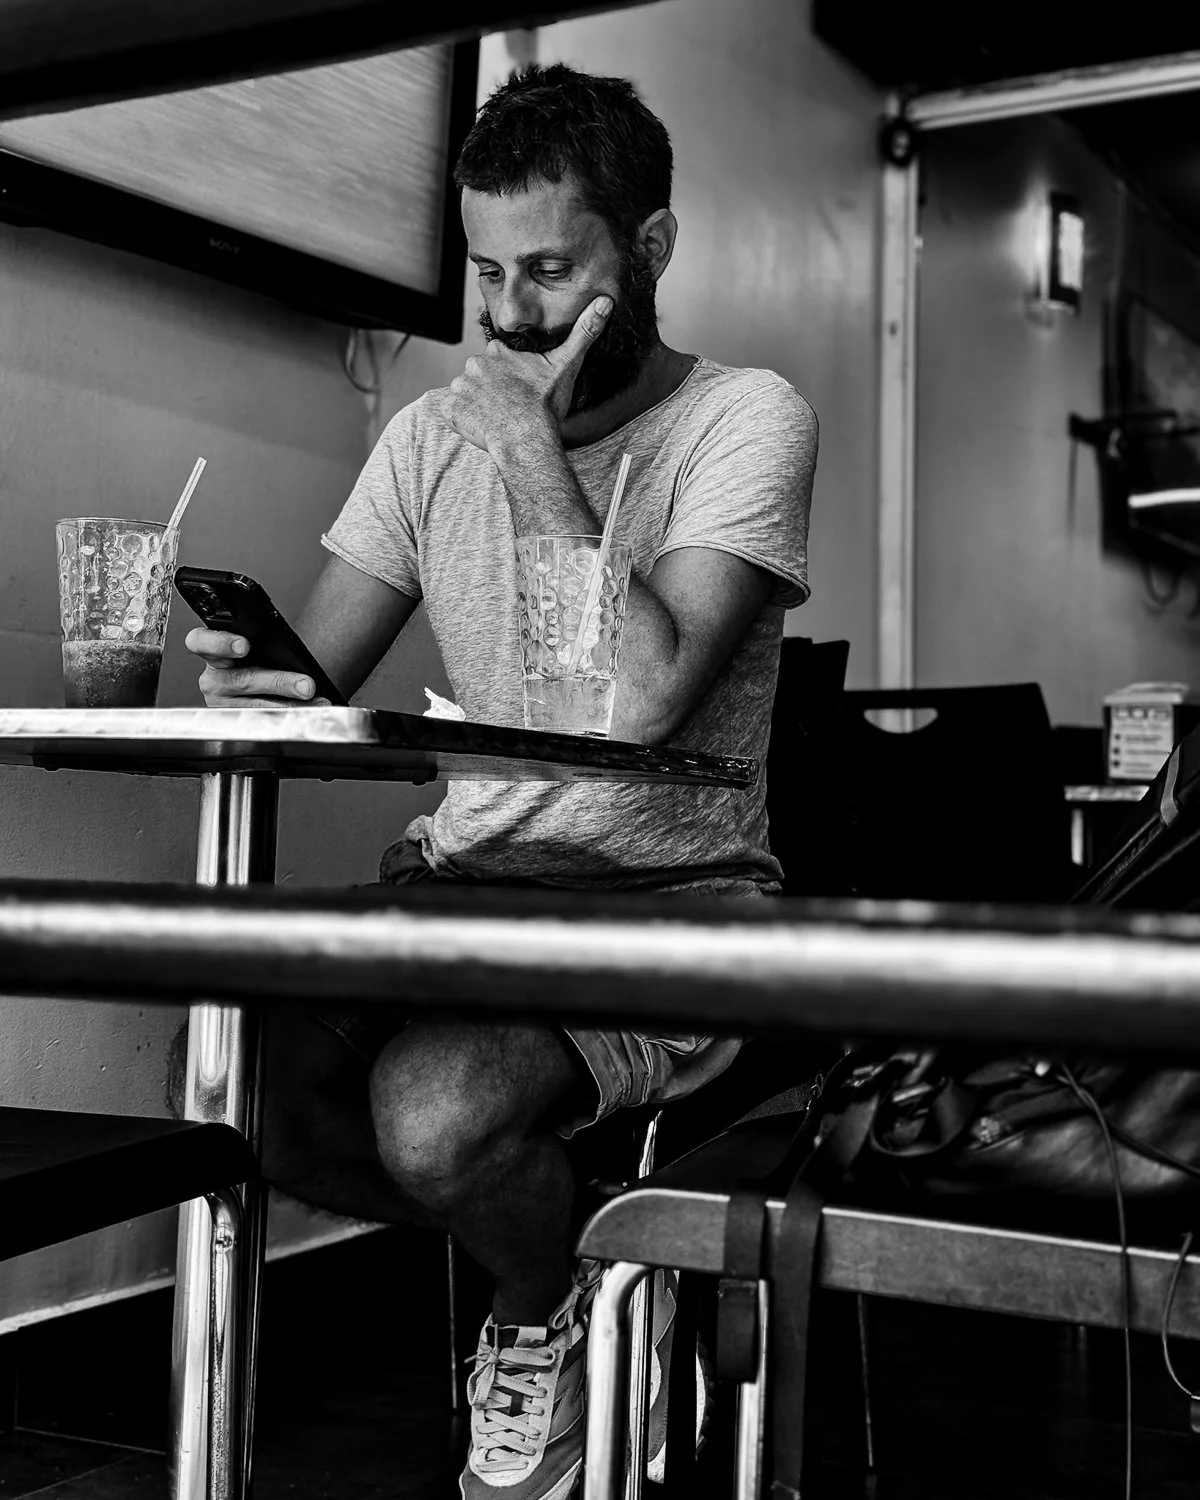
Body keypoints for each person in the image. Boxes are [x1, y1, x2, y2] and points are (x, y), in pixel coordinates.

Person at [186, 63, 817, 1500]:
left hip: (667, 906)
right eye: (487, 272)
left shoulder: (746, 420)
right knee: (231, 1086)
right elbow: (320, 678)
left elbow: (641, 698)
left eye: (551, 270)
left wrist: (534, 450)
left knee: (435, 1117)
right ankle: (590, 1245)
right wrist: (267, 680)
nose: (512, 313)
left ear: (649, 249)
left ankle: (538, 1303)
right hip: (464, 884)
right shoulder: (425, 440)